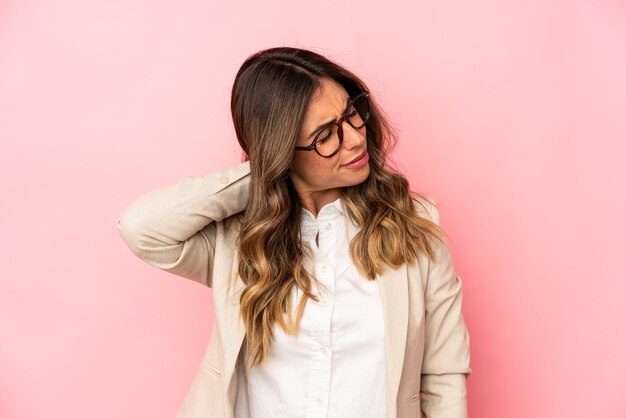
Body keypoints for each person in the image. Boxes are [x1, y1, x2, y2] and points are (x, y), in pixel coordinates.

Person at [117, 46, 472, 418]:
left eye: (352, 113)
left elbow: (443, 376)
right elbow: (141, 228)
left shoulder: (414, 224)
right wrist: (266, 174)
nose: (353, 138)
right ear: (283, 151)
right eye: (325, 136)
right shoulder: (239, 241)